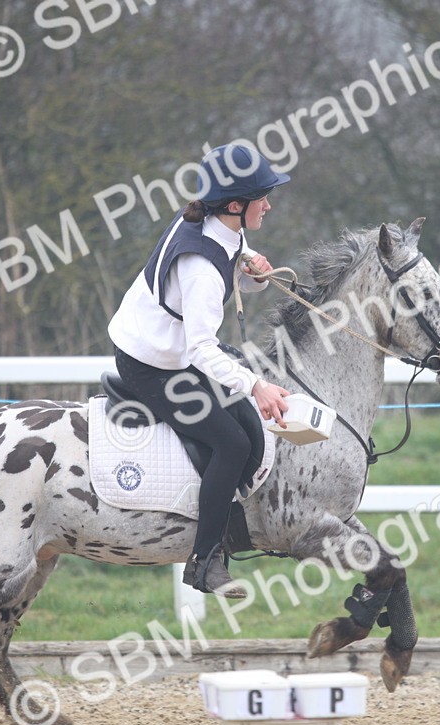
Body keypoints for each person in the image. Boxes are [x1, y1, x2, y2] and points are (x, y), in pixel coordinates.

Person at [107, 144, 292, 598]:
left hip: (172, 353)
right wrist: (258, 386)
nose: (268, 204)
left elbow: (235, 255)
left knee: (246, 425)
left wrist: (254, 274)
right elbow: (203, 349)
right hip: (151, 367)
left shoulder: (212, 223)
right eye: (262, 198)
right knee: (231, 444)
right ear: (234, 205)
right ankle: (204, 561)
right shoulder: (200, 271)